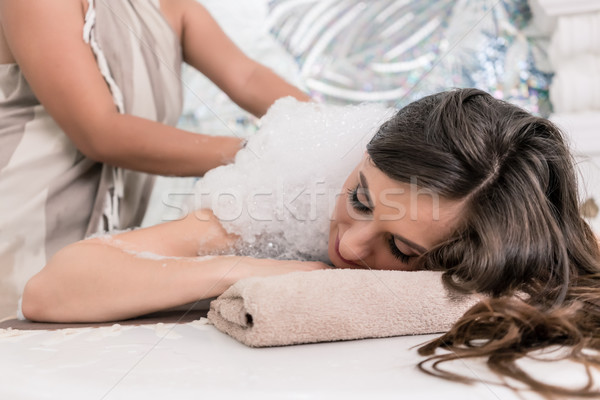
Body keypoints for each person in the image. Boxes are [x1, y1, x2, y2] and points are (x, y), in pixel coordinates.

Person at [22, 88, 600, 397]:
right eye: (361, 199)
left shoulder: (512, 242)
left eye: (401, 251)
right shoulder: (293, 187)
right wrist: (238, 271)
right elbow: (50, 292)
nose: (350, 246)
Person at [0, 0, 310, 317]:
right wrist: (263, 154)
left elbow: (247, 76)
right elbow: (100, 132)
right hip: (19, 229)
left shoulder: (172, 7)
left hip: (90, 255)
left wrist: (335, 136)